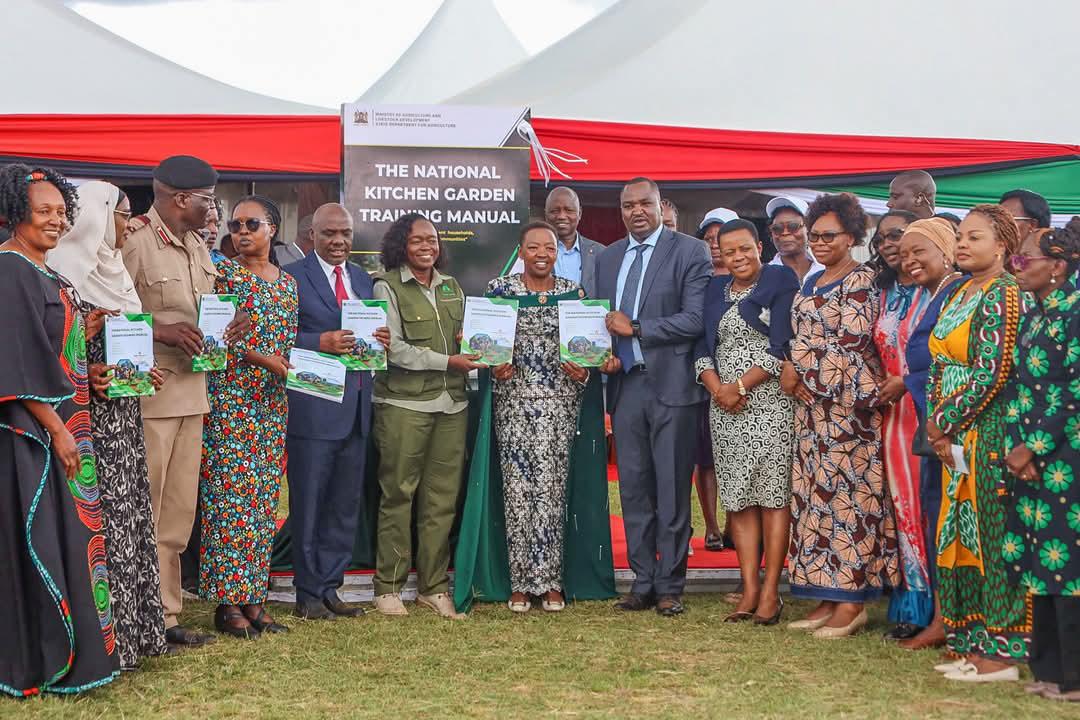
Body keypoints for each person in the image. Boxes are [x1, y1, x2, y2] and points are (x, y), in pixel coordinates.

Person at [453, 222, 618, 613]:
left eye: (549, 247)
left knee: (552, 490)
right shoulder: (499, 291)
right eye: (534, 247)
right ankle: (521, 582)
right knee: (517, 489)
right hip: (513, 401)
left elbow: (590, 351)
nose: (542, 253)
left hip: (561, 403)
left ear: (557, 253)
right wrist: (493, 367)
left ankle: (551, 581)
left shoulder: (571, 293)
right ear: (521, 251)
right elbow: (482, 347)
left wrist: (586, 370)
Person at [0, 164, 119, 694]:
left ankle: (82, 653)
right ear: (15, 214)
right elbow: (16, 361)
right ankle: (41, 661)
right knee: (41, 541)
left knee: (74, 539)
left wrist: (89, 370)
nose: (56, 219)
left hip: (70, 423)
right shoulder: (9, 270)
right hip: (33, 435)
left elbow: (54, 349)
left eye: (61, 211)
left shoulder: (48, 272)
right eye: (43, 211)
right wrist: (57, 429)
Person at [121, 155, 249, 648]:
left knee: (177, 514)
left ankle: (168, 616)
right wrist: (160, 327)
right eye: (206, 201)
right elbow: (101, 309)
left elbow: (202, 309)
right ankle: (136, 612)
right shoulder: (134, 242)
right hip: (150, 396)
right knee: (145, 509)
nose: (211, 210)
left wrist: (227, 322)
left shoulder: (198, 245)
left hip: (195, 393)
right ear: (180, 200)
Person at [48, 180, 168, 669]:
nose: (128, 223)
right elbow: (44, 351)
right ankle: (102, 643)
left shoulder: (112, 273)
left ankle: (134, 634)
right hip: (83, 424)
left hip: (122, 418)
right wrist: (83, 365)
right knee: (102, 521)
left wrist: (140, 373)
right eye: (121, 214)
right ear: (95, 219)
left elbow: (125, 345)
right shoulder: (63, 277)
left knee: (129, 516)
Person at [780, 192, 897, 638]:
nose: (819, 243)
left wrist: (795, 367)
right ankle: (829, 597)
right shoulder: (813, 282)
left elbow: (849, 344)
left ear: (851, 236)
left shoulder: (864, 282)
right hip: (813, 415)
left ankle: (854, 603)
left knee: (850, 506)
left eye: (829, 235)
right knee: (817, 503)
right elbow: (802, 339)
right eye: (813, 236)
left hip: (850, 415)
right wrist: (795, 365)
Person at [596, 177, 712, 617]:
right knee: (634, 489)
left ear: (661, 205)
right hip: (626, 386)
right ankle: (641, 582)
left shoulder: (689, 250)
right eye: (628, 205)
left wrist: (638, 328)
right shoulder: (608, 258)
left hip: (674, 388)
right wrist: (604, 355)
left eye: (645, 203)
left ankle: (670, 585)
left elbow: (695, 319)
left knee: (671, 489)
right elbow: (600, 320)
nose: (636, 211)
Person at [925, 204, 1030, 682]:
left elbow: (994, 371)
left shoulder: (1006, 294)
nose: (963, 244)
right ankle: (969, 639)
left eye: (975, 237)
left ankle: (1004, 650)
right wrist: (937, 426)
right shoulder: (961, 290)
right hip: (952, 431)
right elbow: (941, 363)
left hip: (990, 430)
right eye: (960, 237)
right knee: (959, 536)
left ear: (1003, 246)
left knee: (993, 536)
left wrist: (943, 424)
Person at [372, 212, 483, 619]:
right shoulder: (385, 286)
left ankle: (433, 587)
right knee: (399, 494)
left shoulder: (452, 287)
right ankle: (389, 587)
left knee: (441, 499)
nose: (427, 246)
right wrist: (448, 359)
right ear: (402, 244)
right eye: (418, 240)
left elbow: (470, 338)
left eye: (433, 240)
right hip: (404, 405)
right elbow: (392, 349)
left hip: (452, 405)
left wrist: (474, 344)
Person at [198, 196, 296, 639]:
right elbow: (214, 335)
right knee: (229, 501)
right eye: (235, 225)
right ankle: (227, 602)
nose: (241, 231)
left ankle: (255, 597)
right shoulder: (221, 274)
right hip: (230, 398)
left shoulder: (287, 283)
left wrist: (297, 366)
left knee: (262, 500)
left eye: (251, 223)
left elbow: (289, 344)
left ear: (272, 228)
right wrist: (265, 360)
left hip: (272, 404)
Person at [283, 203, 386, 621]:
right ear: (312, 236)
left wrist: (382, 339)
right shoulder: (292, 279)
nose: (339, 241)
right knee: (309, 502)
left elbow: (368, 335)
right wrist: (317, 341)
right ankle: (307, 592)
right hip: (313, 407)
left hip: (357, 407)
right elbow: (278, 337)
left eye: (345, 233)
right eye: (330, 234)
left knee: (344, 505)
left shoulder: (362, 279)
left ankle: (331, 587)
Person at [694, 219, 798, 625]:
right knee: (737, 498)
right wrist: (718, 388)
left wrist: (739, 385)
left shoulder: (779, 280)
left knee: (772, 498)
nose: (737, 257)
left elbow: (781, 345)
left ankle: (771, 590)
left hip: (768, 403)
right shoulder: (714, 291)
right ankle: (748, 587)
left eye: (745, 249)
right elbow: (702, 348)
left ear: (759, 247)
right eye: (728, 251)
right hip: (723, 408)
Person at [1002, 225, 1080, 701]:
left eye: (1023, 261)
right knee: (1039, 563)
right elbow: (1017, 387)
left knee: (1070, 566)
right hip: (1028, 462)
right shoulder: (1033, 314)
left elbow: (1074, 393)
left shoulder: (1075, 311)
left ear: (1058, 265)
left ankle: (1075, 677)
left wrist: (1034, 446)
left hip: (1066, 458)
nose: (1017, 269)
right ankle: (1049, 671)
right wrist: (1018, 450)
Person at [894, 219, 966, 652]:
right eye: (904, 255)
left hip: (954, 426)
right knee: (938, 516)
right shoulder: (936, 294)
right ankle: (946, 615)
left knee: (952, 517)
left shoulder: (958, 294)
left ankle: (950, 619)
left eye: (919, 251)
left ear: (945, 249)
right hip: (932, 423)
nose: (910, 261)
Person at [870, 212, 936, 641]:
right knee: (901, 511)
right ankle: (912, 604)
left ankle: (941, 609)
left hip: (926, 410)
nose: (891, 245)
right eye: (883, 238)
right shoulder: (886, 293)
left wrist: (907, 381)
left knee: (926, 510)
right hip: (891, 417)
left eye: (901, 236)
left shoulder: (940, 294)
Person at [693, 206, 739, 552]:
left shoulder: (758, 279)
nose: (713, 244)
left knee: (737, 458)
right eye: (708, 238)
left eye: (719, 238)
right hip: (706, 382)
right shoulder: (701, 282)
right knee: (706, 457)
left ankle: (732, 525)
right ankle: (710, 526)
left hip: (748, 385)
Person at [543, 186, 603, 296]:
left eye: (568, 210)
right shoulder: (534, 253)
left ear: (579, 213)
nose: (561, 216)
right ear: (546, 214)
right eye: (555, 211)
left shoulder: (601, 253)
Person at [766, 196, 825, 283]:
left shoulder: (825, 269)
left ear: (809, 229)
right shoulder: (764, 277)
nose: (785, 233)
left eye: (793, 226)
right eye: (777, 228)